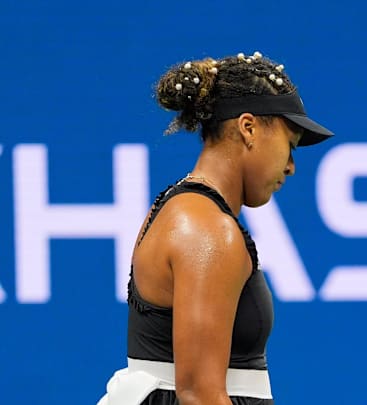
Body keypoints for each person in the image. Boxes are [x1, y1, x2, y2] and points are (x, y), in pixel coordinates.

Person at [97, 51, 333, 405]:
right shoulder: (207, 230)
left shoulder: (187, 210)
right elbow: (200, 396)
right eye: (289, 146)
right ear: (248, 128)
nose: (291, 167)